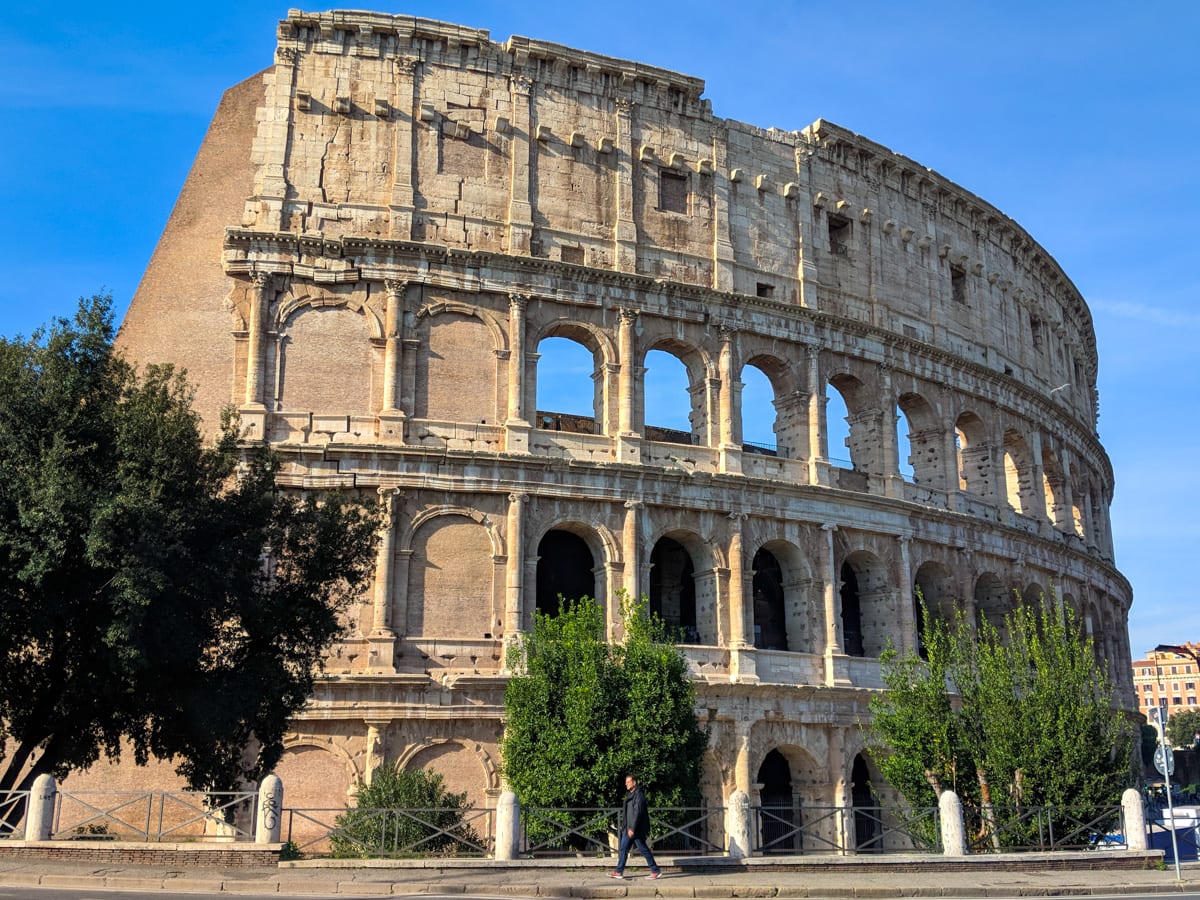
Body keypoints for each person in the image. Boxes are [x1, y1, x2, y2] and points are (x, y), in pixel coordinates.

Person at [609, 774, 662, 879]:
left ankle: (655, 870)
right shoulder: (632, 794)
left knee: (641, 849)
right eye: (626, 782)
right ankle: (619, 871)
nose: (626, 784)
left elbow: (637, 813)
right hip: (629, 828)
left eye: (628, 782)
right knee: (625, 848)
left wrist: (632, 828)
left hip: (634, 829)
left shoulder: (638, 795)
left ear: (634, 782)